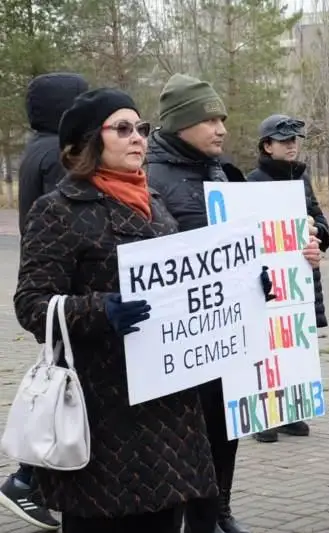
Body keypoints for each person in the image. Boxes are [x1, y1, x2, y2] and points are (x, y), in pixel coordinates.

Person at [13, 87, 218, 533]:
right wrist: (99, 310)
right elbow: (31, 305)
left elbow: (186, 282)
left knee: (165, 520)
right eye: (122, 129)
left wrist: (239, 291)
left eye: (142, 129)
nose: (138, 138)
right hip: (106, 411)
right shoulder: (59, 211)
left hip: (170, 408)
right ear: (90, 141)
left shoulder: (156, 205)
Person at [145, 73, 248, 533]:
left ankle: (217, 510)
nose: (221, 129)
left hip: (225, 331)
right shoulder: (150, 177)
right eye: (209, 119)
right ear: (179, 123)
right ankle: (188, 516)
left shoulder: (223, 171)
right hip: (176, 338)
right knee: (185, 440)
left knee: (225, 430)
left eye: (222, 118)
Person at [1, 71, 88, 532]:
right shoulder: (58, 156)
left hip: (53, 285)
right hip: (66, 291)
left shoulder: (38, 148)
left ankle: (36, 478)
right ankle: (26, 479)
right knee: (64, 390)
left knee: (63, 384)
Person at [246, 114, 329, 443]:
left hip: (301, 276)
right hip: (267, 280)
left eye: (295, 140)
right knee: (265, 345)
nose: (292, 146)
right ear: (267, 146)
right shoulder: (251, 183)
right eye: (285, 141)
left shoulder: (302, 179)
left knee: (295, 343)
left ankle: (289, 410)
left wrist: (315, 233)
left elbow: (321, 223)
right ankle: (263, 415)